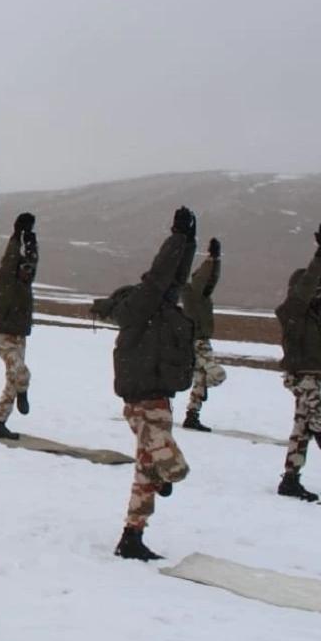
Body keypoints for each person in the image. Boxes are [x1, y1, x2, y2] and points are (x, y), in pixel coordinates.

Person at [90, 207, 196, 562]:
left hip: (158, 400)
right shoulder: (140, 306)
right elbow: (159, 277)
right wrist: (177, 238)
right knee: (171, 466)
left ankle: (131, 536)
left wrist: (190, 243)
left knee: (145, 473)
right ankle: (164, 477)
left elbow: (173, 280)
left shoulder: (157, 307)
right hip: (144, 402)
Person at [274, 223, 321, 502]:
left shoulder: (313, 313)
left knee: (300, 430)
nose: (320, 294)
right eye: (315, 291)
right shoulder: (293, 311)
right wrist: (320, 256)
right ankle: (319, 430)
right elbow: (309, 283)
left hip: (313, 375)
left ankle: (290, 479)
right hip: (301, 377)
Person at [0, 212, 38, 439]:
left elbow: (33, 260)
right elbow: (9, 259)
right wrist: (17, 235)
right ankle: (23, 393)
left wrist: (31, 240)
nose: (27, 272)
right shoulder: (7, 283)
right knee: (21, 372)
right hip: (4, 339)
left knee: (11, 381)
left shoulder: (26, 286)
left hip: (20, 338)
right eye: (24, 269)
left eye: (29, 270)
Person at [181, 237, 226, 431]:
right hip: (198, 342)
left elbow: (210, 280)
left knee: (199, 380)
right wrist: (211, 259)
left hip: (199, 341)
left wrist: (216, 261)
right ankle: (197, 395)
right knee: (217, 375)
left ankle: (192, 416)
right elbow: (203, 279)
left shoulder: (200, 296)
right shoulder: (193, 293)